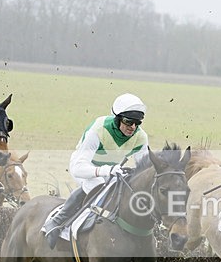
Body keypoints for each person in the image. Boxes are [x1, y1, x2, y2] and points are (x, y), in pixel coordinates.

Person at [42, 93, 151, 249]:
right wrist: (106, 170)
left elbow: (144, 169)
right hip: (86, 168)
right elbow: (79, 167)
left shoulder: (141, 137)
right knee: (98, 186)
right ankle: (58, 220)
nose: (132, 127)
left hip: (113, 171)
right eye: (128, 122)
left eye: (137, 123)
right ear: (117, 118)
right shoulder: (98, 129)